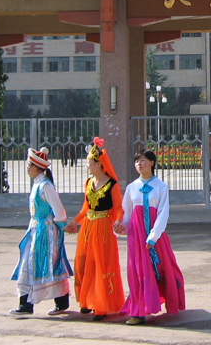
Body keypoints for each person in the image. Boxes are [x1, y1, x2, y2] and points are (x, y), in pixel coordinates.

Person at [115, 150, 186, 326]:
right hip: (135, 236)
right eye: (137, 161)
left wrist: (153, 236)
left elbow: (163, 213)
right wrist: (120, 226)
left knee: (163, 268)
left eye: (143, 160)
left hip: (155, 236)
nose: (139, 164)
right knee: (137, 271)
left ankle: (163, 300)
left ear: (152, 163)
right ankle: (138, 311)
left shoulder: (160, 186)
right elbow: (126, 213)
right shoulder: (132, 187)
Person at [64, 137, 125, 321]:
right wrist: (76, 221)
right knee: (83, 264)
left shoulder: (112, 185)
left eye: (89, 162)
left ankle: (101, 305)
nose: (87, 165)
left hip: (104, 228)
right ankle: (86, 301)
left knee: (100, 265)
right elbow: (86, 207)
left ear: (98, 164)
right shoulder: (88, 183)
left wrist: (119, 221)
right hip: (88, 228)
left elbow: (119, 208)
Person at [10, 147, 73, 316]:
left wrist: (59, 227)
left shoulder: (45, 186)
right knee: (29, 265)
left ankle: (59, 301)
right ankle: (26, 303)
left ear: (37, 167)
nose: (27, 167)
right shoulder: (38, 184)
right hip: (35, 232)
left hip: (46, 233)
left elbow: (59, 212)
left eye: (29, 164)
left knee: (49, 265)